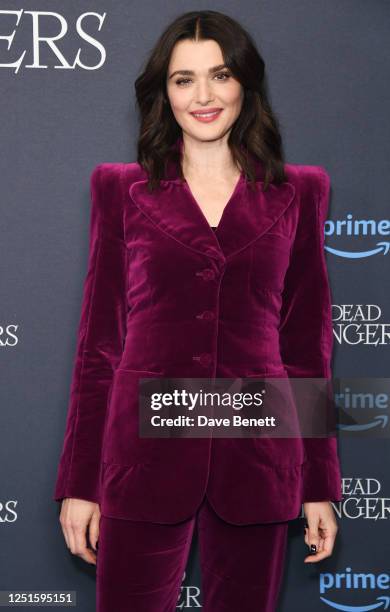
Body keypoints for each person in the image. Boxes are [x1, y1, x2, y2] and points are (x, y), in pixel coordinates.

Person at [53, 10, 342, 612]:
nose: (204, 96)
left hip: (257, 456)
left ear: (246, 85)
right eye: (184, 80)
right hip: (143, 456)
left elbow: (305, 348)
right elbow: (98, 347)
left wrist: (318, 483)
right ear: (164, 91)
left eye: (221, 75)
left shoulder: (301, 192)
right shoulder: (119, 189)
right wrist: (81, 484)